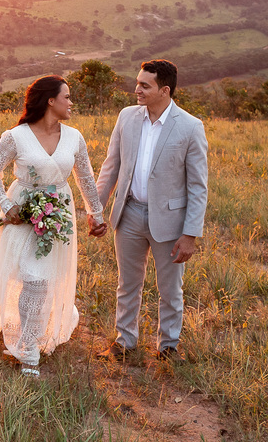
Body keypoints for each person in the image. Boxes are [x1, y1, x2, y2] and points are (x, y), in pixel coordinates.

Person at [0, 75, 105, 377]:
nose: (71, 102)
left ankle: (30, 339)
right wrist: (6, 207)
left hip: (58, 212)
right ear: (51, 101)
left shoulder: (74, 137)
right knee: (31, 277)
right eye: (67, 96)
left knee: (44, 277)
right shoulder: (15, 136)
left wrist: (95, 214)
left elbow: (85, 177)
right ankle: (27, 349)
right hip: (21, 210)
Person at [91, 59, 208, 363]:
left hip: (170, 222)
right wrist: (97, 209)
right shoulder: (127, 117)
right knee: (127, 284)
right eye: (138, 83)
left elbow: (198, 186)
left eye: (145, 85)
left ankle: (168, 346)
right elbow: (111, 165)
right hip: (128, 215)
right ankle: (124, 342)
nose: (137, 90)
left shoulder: (190, 127)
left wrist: (190, 234)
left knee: (170, 290)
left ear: (165, 90)